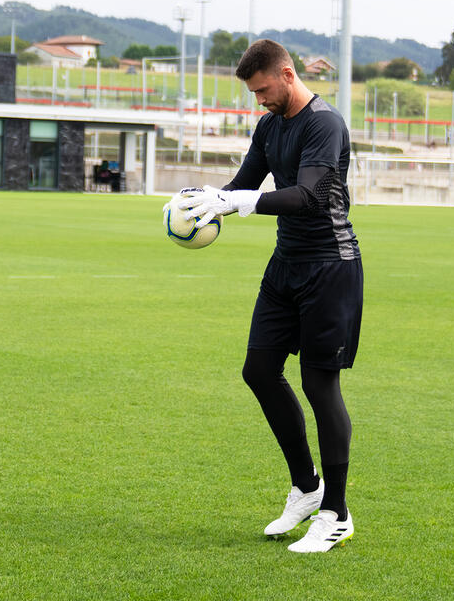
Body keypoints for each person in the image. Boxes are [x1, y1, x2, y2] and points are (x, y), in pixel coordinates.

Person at [178, 39, 363, 553]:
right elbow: (242, 185)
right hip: (285, 266)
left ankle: (337, 513)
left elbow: (309, 197)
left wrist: (235, 202)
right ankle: (307, 488)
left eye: (262, 90)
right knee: (258, 371)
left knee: (318, 385)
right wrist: (204, 203)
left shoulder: (324, 123)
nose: (258, 99)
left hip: (330, 265)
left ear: (286, 74)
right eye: (253, 92)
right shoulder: (268, 125)